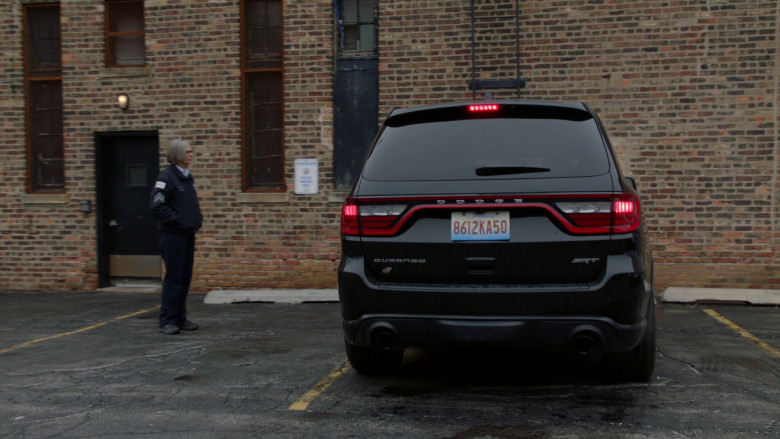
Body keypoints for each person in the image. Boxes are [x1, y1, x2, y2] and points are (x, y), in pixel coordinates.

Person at [150, 138, 203, 334]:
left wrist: (195, 220)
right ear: (178, 154)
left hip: (187, 234)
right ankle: (168, 320)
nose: (191, 154)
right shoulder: (167, 177)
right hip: (173, 235)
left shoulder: (187, 177)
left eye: (191, 151)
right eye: (188, 152)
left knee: (184, 277)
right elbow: (157, 205)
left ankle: (181, 318)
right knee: (173, 278)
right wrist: (177, 220)